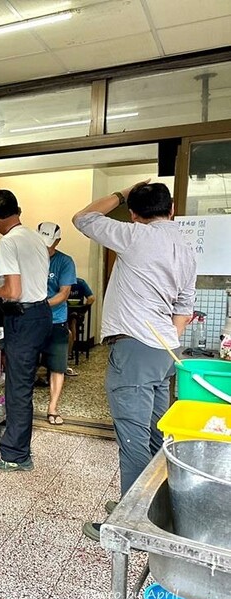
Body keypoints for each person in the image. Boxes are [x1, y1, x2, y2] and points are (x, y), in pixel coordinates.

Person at [72, 181, 196, 541]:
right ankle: (152, 506)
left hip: (135, 349)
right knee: (159, 435)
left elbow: (83, 218)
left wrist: (121, 194)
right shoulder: (185, 247)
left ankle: (131, 524)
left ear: (134, 215)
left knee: (133, 438)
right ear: (171, 209)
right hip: (164, 351)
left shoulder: (134, 235)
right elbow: (183, 311)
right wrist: (163, 343)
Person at [0, 190, 51, 472]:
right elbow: (26, 280)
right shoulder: (34, 238)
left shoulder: (7, 242)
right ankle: (14, 442)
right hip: (41, 314)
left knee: (18, 387)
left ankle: (16, 455)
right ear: (17, 210)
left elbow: (14, 292)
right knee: (22, 384)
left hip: (23, 317)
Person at [37, 222, 77, 426]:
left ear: (58, 241)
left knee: (57, 367)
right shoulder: (30, 259)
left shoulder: (65, 262)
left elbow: (64, 293)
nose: (45, 248)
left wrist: (40, 305)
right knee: (27, 364)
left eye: (49, 244)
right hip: (33, 322)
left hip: (57, 321)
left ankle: (52, 408)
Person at [66, 277, 96, 375]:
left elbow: (91, 298)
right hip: (63, 312)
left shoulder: (80, 283)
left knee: (73, 320)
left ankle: (70, 348)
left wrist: (83, 311)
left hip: (75, 313)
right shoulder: (62, 282)